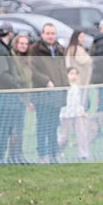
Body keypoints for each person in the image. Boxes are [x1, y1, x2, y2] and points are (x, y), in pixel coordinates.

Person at [28, 23, 68, 163]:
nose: (50, 36)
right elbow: (32, 70)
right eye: (48, 33)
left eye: (53, 33)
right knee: (42, 126)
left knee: (53, 126)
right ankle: (42, 155)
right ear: (42, 34)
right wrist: (46, 81)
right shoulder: (35, 50)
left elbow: (63, 70)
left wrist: (65, 87)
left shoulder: (59, 49)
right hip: (43, 94)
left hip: (57, 94)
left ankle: (54, 154)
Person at [0, 22, 21, 165]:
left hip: (1, 95)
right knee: (3, 127)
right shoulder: (0, 50)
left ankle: (0, 157)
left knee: (4, 126)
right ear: (10, 34)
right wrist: (16, 82)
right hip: (3, 96)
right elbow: (2, 74)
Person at [8, 34, 33, 164]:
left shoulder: (27, 59)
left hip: (24, 98)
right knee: (15, 128)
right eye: (21, 43)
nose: (23, 46)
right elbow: (19, 79)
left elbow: (28, 80)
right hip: (15, 97)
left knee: (20, 128)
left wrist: (29, 100)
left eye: (26, 44)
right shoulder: (13, 57)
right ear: (16, 44)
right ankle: (12, 156)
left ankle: (19, 154)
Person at [57, 67, 90, 161]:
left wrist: (82, 111)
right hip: (66, 114)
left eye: (75, 74)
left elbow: (78, 101)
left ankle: (83, 154)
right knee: (65, 135)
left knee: (81, 133)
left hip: (77, 114)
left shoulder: (76, 87)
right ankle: (58, 150)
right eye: (71, 74)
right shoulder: (64, 86)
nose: (74, 76)